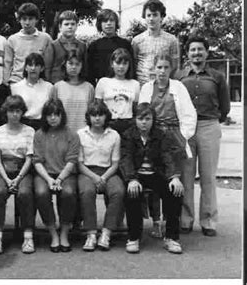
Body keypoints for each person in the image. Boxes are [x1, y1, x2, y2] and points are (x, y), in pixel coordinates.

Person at [175, 36, 230, 236]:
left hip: (209, 126)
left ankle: (208, 221)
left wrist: (214, 120)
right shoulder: (180, 76)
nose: (196, 53)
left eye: (200, 49)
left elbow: (225, 107)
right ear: (187, 54)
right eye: (192, 50)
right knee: (186, 176)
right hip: (186, 129)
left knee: (208, 177)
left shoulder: (217, 76)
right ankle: (186, 219)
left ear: (207, 52)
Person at [139, 53, 196, 238]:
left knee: (173, 179)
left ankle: (172, 220)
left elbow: (189, 114)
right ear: (154, 69)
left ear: (170, 69)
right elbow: (142, 114)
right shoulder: (147, 88)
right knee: (155, 177)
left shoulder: (178, 87)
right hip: (154, 136)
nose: (162, 71)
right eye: (159, 67)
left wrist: (183, 136)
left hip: (173, 136)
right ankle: (156, 222)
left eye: (165, 67)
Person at [120, 103, 184, 254]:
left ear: (153, 119)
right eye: (140, 118)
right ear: (135, 119)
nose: (144, 122)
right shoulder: (128, 135)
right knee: (132, 193)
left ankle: (171, 237)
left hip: (157, 174)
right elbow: (126, 158)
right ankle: (134, 237)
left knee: (175, 192)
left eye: (147, 118)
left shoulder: (161, 135)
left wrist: (174, 177)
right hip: (137, 175)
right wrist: (131, 179)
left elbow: (167, 156)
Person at [0, 95, 35, 254]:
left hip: (23, 170)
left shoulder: (29, 131)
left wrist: (18, 178)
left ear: (22, 112)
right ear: (5, 112)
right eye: (11, 111)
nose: (15, 114)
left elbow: (29, 158)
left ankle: (28, 237)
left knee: (25, 193)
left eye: (18, 111)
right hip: (2, 171)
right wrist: (7, 179)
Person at [33, 98, 80, 253]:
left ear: (62, 115)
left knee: (68, 193)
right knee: (41, 192)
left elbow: (72, 160)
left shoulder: (71, 134)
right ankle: (53, 232)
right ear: (44, 116)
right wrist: (48, 179)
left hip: (66, 174)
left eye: (56, 114)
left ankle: (65, 232)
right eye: (49, 115)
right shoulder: (39, 134)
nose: (53, 118)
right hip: (45, 174)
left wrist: (60, 178)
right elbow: (37, 161)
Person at [77, 101, 124, 252]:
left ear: (106, 117)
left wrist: (103, 178)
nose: (97, 118)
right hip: (87, 171)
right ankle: (91, 233)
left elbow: (115, 163)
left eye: (100, 115)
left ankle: (106, 233)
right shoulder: (80, 134)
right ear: (88, 117)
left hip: (108, 171)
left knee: (118, 191)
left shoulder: (114, 135)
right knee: (87, 192)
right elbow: (79, 164)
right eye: (93, 115)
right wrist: (95, 178)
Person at [132, 0, 180, 86]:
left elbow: (174, 66)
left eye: (155, 15)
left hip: (162, 86)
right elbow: (134, 64)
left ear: (161, 17)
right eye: (148, 15)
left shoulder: (171, 40)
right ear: (144, 17)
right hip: (142, 85)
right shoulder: (136, 41)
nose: (151, 19)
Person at [4, 3, 53, 84]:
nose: (27, 22)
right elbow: (7, 63)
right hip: (17, 81)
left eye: (30, 19)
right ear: (19, 20)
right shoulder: (12, 40)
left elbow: (49, 63)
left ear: (36, 20)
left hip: (39, 81)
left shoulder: (45, 38)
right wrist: (6, 82)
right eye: (24, 19)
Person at [95, 48, 140, 135]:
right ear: (112, 64)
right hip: (109, 124)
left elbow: (135, 109)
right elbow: (98, 107)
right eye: (118, 63)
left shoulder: (135, 84)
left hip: (128, 125)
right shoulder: (103, 82)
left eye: (125, 63)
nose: (121, 67)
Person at [86, 9, 133, 87]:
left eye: (111, 20)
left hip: (123, 86)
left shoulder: (125, 44)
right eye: (105, 21)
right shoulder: (94, 46)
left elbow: (131, 68)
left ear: (116, 23)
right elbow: (89, 71)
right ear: (100, 24)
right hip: (101, 87)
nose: (108, 23)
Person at [52, 54, 95, 133]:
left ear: (82, 66)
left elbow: (91, 114)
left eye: (77, 64)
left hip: (84, 134)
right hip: (62, 133)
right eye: (71, 63)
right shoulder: (57, 87)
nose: (74, 67)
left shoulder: (89, 88)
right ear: (65, 64)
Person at [11, 53, 53, 130]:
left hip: (42, 126)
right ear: (26, 68)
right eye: (30, 65)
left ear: (42, 68)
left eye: (36, 65)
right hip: (22, 125)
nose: (33, 68)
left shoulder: (49, 87)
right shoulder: (15, 87)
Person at [47, 10, 87, 84]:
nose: (70, 27)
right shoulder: (53, 46)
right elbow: (47, 69)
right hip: (56, 85)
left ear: (76, 26)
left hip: (76, 85)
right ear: (60, 27)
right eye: (66, 24)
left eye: (72, 24)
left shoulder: (82, 46)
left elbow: (85, 69)